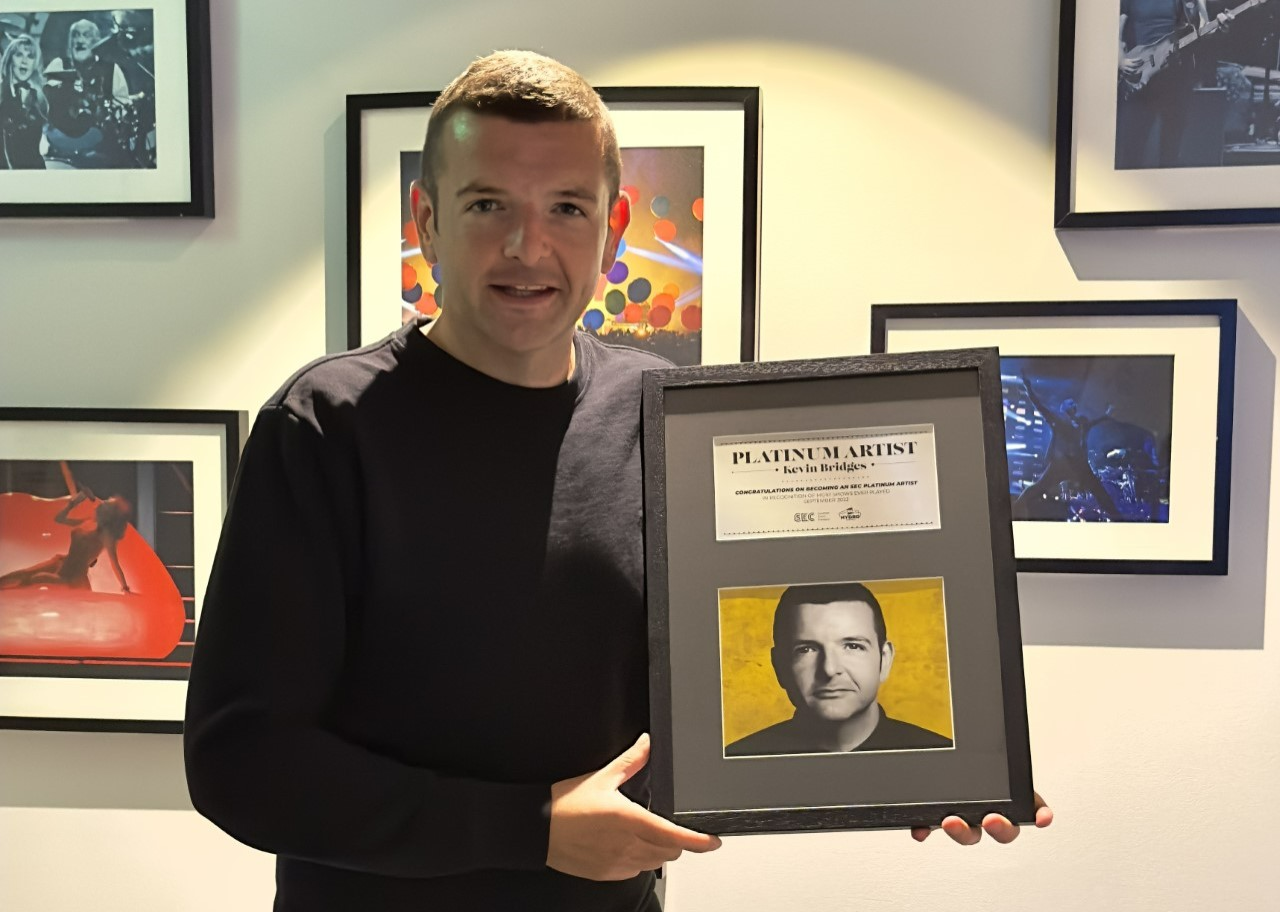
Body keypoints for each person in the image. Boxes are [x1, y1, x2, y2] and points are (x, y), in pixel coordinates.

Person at [184, 51, 1049, 912]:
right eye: (488, 204)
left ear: (615, 228)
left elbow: (712, 691)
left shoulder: (658, 413)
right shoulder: (327, 425)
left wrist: (926, 762)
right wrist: (531, 828)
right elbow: (242, 761)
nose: (529, 246)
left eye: (567, 207)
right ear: (426, 221)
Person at [726, 582, 952, 757]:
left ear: (884, 660)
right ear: (779, 666)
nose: (829, 669)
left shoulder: (942, 754)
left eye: (853, 646)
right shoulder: (738, 759)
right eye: (806, 649)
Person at [1116, 0, 1211, 168]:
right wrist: (1120, 59)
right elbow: (1115, 29)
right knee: (1132, 151)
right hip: (1142, 74)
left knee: (1171, 153)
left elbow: (1204, 26)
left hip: (1175, 77)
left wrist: (1219, 23)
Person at [1013, 374, 1120, 520]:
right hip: (1060, 464)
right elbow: (1040, 406)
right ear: (1064, 408)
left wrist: (1107, 414)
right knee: (1038, 487)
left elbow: (1095, 422)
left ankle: (1119, 518)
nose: (1073, 405)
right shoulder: (1058, 420)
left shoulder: (1082, 422)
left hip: (1079, 466)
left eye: (1073, 403)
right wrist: (1028, 388)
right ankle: (1016, 508)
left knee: (1099, 492)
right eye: (1070, 403)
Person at [0, 487, 131, 592]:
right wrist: (74, 502)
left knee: (35, 579)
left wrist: (125, 588)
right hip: (62, 563)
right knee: (23, 574)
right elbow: (59, 519)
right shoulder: (88, 522)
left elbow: (115, 564)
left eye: (108, 503)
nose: (103, 502)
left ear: (110, 515)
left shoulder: (106, 536)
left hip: (73, 577)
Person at [43, 18, 132, 168]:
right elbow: (45, 105)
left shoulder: (111, 70)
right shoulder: (58, 65)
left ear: (98, 42)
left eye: (86, 35)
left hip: (100, 151)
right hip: (61, 151)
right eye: (76, 35)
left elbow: (122, 109)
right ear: (69, 42)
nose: (80, 40)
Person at [0, 32, 49, 169]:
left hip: (35, 173)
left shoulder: (39, 98)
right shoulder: (1, 94)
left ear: (35, 63)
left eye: (30, 56)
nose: (24, 61)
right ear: (10, 58)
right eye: (19, 54)